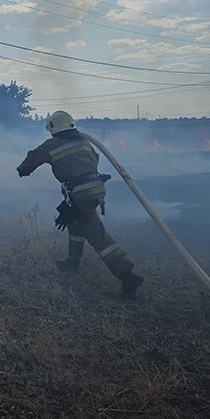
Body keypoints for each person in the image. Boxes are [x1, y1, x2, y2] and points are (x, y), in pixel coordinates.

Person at [16, 110, 144, 300]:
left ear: (52, 128)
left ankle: (127, 275)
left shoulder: (52, 144)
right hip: (94, 188)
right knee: (75, 222)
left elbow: (32, 159)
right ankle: (72, 262)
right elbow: (95, 159)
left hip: (80, 192)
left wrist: (22, 170)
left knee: (97, 235)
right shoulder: (84, 142)